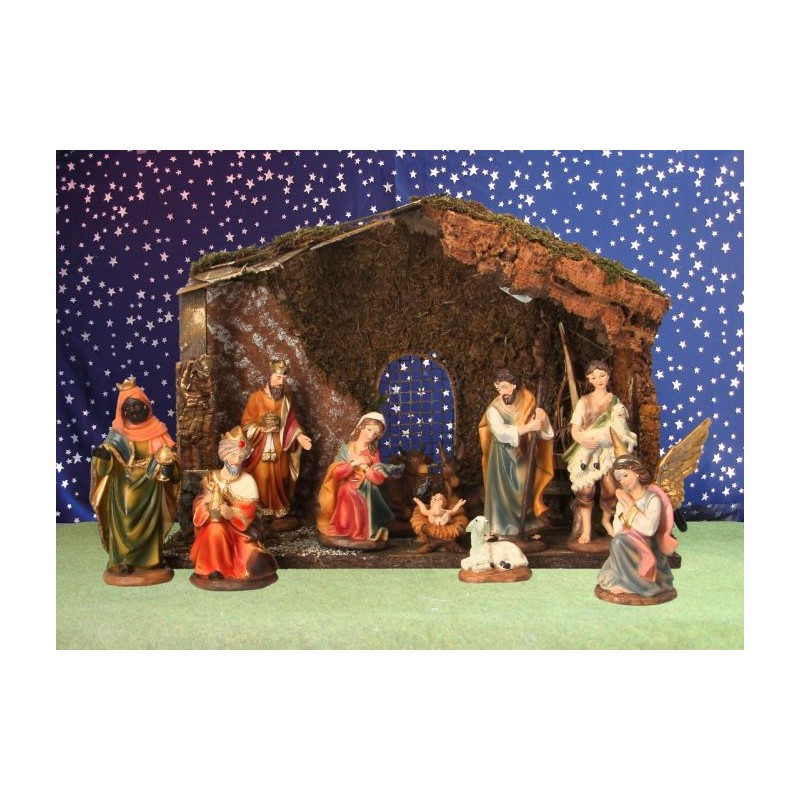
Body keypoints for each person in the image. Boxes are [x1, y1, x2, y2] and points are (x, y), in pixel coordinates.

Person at [90, 377, 181, 585]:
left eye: (137, 405)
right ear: (121, 411)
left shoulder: (158, 429)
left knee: (150, 525)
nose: (133, 411)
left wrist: (168, 463)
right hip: (123, 484)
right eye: (127, 408)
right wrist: (104, 458)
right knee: (124, 520)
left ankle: (150, 561)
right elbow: (106, 463)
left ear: (146, 405)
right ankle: (123, 561)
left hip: (151, 485)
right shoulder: (117, 435)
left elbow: (171, 458)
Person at [189, 426, 278, 588]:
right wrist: (206, 502)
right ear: (224, 455)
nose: (237, 460)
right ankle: (215, 568)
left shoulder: (248, 482)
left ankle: (233, 566)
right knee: (215, 529)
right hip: (214, 527)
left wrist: (231, 513)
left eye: (241, 456)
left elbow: (248, 514)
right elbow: (198, 505)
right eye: (233, 455)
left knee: (257, 565)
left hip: (239, 533)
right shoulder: (211, 479)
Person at [562, 360, 637, 545]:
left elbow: (621, 426)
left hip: (608, 450)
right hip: (589, 447)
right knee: (586, 490)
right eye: (594, 377)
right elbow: (575, 429)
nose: (599, 380)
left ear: (608, 376)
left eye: (602, 375)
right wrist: (582, 440)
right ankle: (586, 530)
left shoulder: (615, 401)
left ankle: (606, 520)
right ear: (589, 379)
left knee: (612, 488)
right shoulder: (584, 401)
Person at [478, 369, 555, 540]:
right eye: (499, 389)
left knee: (524, 488)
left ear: (515, 385)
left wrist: (542, 420)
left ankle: (526, 526)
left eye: (505, 387)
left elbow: (542, 432)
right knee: (502, 493)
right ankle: (500, 528)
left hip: (522, 454)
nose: (502, 392)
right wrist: (528, 427)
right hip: (501, 457)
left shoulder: (528, 402)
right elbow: (500, 433)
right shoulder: (494, 409)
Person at [240, 358, 312, 526]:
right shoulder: (255, 398)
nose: (281, 383)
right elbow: (245, 424)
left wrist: (299, 436)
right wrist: (261, 429)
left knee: (283, 475)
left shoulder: (286, 399)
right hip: (261, 446)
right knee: (263, 476)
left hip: (280, 444)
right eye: (278, 378)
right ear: (270, 378)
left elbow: (291, 422)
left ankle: (279, 511)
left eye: (284, 379)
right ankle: (261, 511)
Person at [595, 454, 677, 601]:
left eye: (625, 475)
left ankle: (638, 585)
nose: (623, 481)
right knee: (606, 578)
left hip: (647, 546)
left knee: (619, 542)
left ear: (637, 473)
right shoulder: (622, 500)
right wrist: (625, 509)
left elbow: (649, 530)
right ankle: (626, 580)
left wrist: (630, 506)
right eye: (619, 479)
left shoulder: (652, 499)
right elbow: (618, 530)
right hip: (627, 545)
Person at [316, 412, 397, 547]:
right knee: (347, 490)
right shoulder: (347, 448)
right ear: (361, 427)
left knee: (358, 493)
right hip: (347, 483)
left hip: (367, 487)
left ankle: (361, 531)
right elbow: (336, 472)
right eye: (369, 430)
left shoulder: (373, 453)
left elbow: (378, 479)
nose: (371, 435)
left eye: (375, 434)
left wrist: (366, 468)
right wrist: (354, 463)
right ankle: (343, 528)